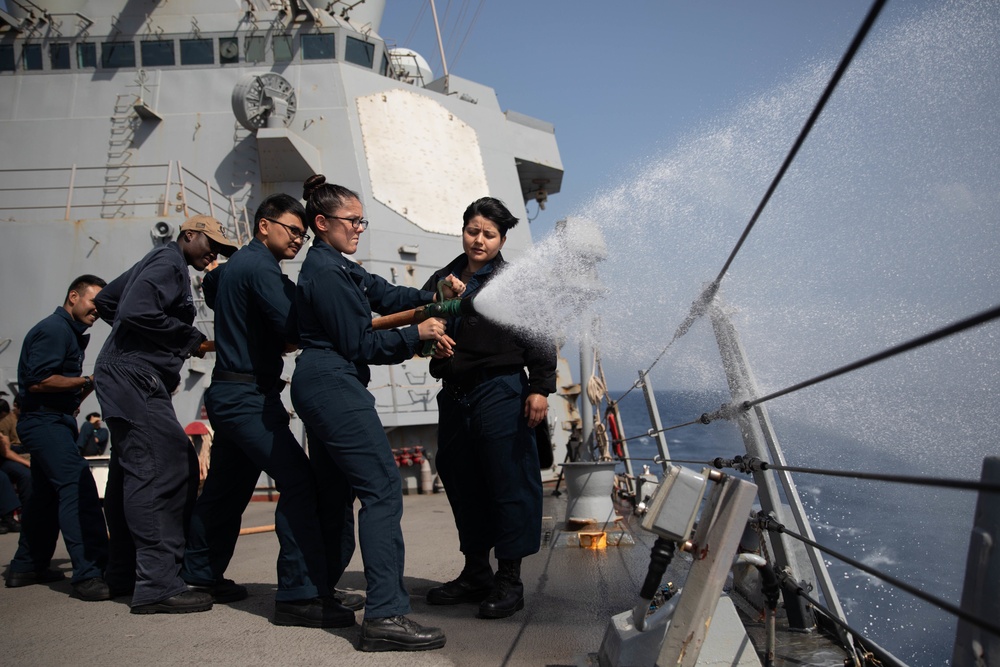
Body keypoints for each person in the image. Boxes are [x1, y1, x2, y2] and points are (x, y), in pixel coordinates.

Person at [291, 175, 463, 652]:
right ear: (322, 223)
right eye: (353, 220)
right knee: (383, 489)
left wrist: (434, 297)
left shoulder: (338, 266)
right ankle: (386, 614)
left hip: (326, 384)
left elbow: (386, 294)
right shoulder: (324, 273)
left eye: (362, 220)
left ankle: (313, 593)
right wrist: (419, 335)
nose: (360, 228)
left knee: (333, 493)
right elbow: (359, 343)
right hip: (332, 383)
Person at [181, 194, 358, 628]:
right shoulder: (262, 267)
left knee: (226, 488)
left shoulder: (235, 267)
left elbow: (213, 287)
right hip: (248, 399)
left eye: (302, 232)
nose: (299, 238)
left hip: (227, 393)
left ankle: (200, 576)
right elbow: (295, 326)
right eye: (291, 230)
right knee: (299, 483)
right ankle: (298, 595)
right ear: (263, 226)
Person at [93, 215, 237, 614]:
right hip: (134, 377)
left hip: (127, 372)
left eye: (221, 250)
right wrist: (185, 338)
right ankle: (157, 584)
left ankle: (123, 573)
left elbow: (107, 302)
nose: (214, 253)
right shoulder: (169, 263)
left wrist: (146, 344)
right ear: (188, 234)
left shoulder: (157, 260)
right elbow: (136, 311)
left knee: (133, 473)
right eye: (210, 243)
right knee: (168, 469)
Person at [423, 197, 556, 619]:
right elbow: (428, 334)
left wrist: (540, 388)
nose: (478, 240)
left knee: (509, 482)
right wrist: (435, 345)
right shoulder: (441, 279)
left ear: (501, 239)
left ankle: (509, 579)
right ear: (463, 230)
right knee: (462, 481)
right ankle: (476, 572)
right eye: (472, 231)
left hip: (501, 390)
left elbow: (539, 334)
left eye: (489, 234)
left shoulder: (517, 282)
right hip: (455, 392)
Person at [4, 275, 111, 601]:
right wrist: (85, 380)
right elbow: (37, 381)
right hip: (44, 423)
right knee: (76, 487)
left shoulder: (67, 332)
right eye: (94, 301)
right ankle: (89, 573)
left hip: (54, 421)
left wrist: (81, 391)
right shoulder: (54, 330)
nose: (98, 310)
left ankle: (26, 566)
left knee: (44, 497)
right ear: (74, 296)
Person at [0, 398, 31, 513]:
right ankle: (14, 513)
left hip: (17, 452)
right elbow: (6, 451)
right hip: (8, 455)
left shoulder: (26, 418)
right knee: (23, 474)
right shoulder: (6, 421)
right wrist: (27, 463)